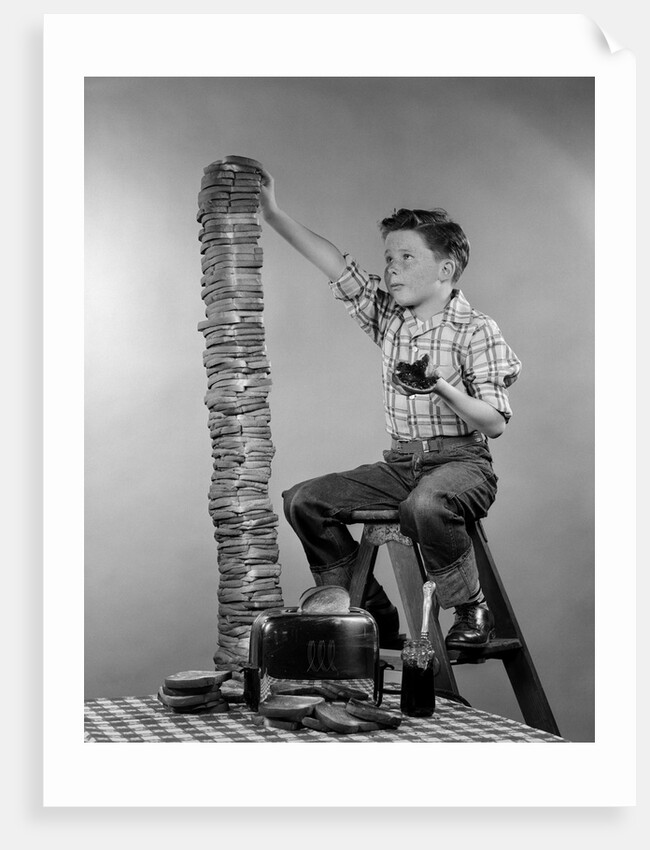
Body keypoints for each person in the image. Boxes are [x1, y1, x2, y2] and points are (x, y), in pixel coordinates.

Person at [258, 164, 521, 650]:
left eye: (405, 256)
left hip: (462, 464)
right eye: (388, 257)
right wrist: (273, 214)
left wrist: (440, 385)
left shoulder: (477, 329)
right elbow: (336, 265)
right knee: (303, 500)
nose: (391, 267)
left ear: (445, 269)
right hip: (401, 462)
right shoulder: (392, 322)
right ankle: (370, 611)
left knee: (424, 504)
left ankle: (470, 606)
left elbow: (494, 423)